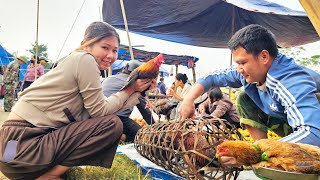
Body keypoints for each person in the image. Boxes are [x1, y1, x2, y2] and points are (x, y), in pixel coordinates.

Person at [0, 21, 153, 180]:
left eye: (115, 50)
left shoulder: (72, 62)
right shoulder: (85, 59)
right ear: (85, 45)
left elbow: (93, 115)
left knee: (103, 123)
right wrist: (129, 90)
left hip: (8, 153)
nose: (111, 55)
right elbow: (100, 112)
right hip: (23, 147)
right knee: (112, 124)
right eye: (105, 47)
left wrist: (134, 94)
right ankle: (49, 176)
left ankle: (42, 172)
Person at [178, 24, 320, 156]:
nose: (239, 69)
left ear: (264, 56)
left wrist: (254, 153)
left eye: (243, 62)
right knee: (245, 98)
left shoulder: (289, 81)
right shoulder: (249, 72)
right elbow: (210, 78)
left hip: (314, 131)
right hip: (295, 124)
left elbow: (313, 133)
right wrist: (188, 100)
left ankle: (263, 155)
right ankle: (263, 155)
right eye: (237, 63)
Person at [102, 60, 154, 142]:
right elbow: (145, 111)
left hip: (101, 117)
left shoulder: (110, 78)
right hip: (117, 118)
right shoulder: (134, 83)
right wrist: (155, 127)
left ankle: (115, 135)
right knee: (143, 136)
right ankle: (119, 137)